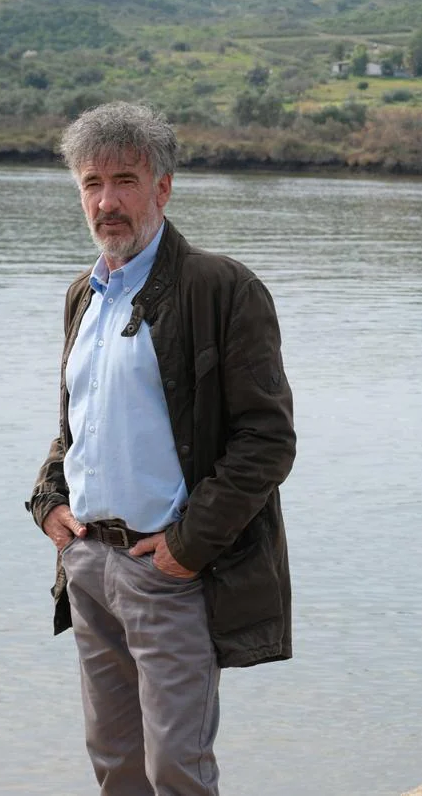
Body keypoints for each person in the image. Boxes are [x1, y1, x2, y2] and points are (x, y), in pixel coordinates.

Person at [26, 101, 296, 795]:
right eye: (92, 183)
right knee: (115, 764)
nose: (107, 201)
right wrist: (49, 501)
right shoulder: (83, 296)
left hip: (167, 569)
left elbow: (267, 442)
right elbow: (81, 425)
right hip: (88, 564)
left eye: (124, 180)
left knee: (175, 767)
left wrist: (188, 548)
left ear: (163, 187)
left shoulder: (222, 289)